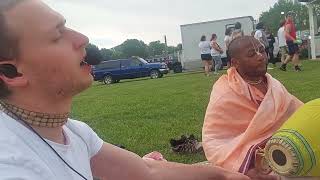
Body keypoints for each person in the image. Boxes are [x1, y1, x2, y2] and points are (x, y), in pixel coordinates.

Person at [0, 1, 251, 180]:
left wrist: (224, 174)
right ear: (12, 73)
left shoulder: (74, 133)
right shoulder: (11, 164)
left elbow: (147, 172)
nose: (82, 38)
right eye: (57, 35)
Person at [202, 36, 304, 179]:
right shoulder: (225, 93)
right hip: (250, 160)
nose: (261, 56)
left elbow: (298, 112)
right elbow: (214, 141)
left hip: (287, 148)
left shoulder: (273, 84)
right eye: (252, 54)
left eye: (262, 50)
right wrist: (250, 169)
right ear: (235, 63)